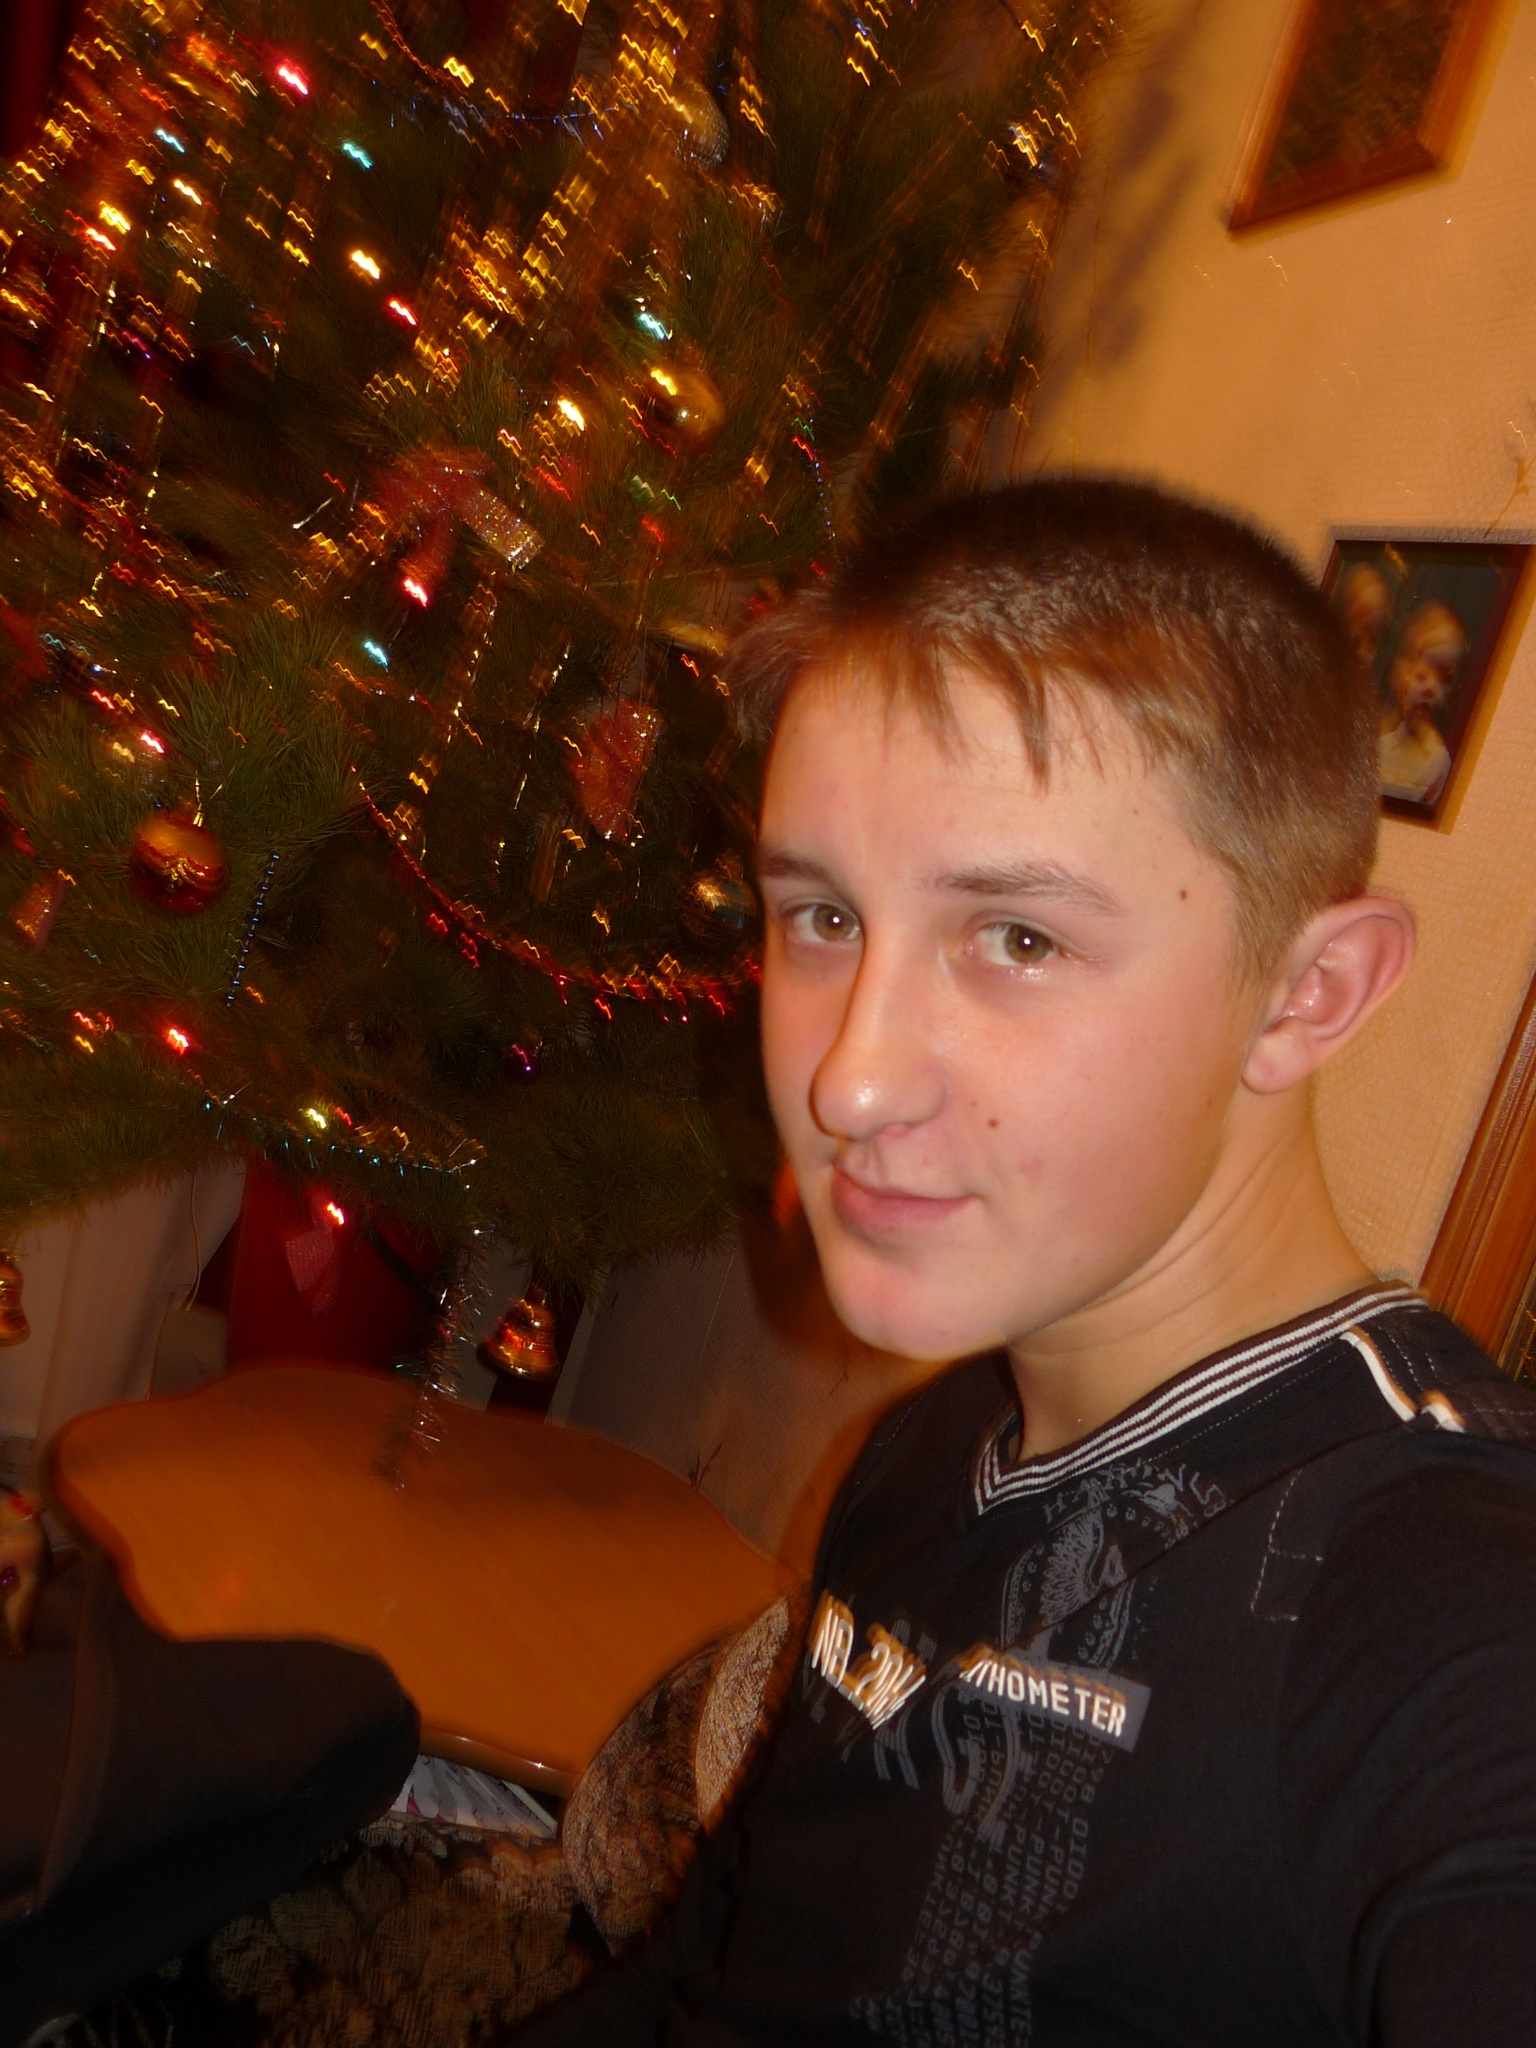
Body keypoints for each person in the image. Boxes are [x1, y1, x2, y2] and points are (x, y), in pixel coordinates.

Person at [516, 481, 1536, 2046]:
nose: (847, 1083)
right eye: (821, 917)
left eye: (1019, 939)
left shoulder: (1435, 1601)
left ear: (1306, 995)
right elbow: (706, 1978)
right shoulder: (933, 1445)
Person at [1377, 598, 1466, 807]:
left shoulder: (1436, 761)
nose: (1430, 688)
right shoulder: (1369, 734)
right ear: (1399, 669)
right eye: (1422, 672)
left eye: (1445, 678)